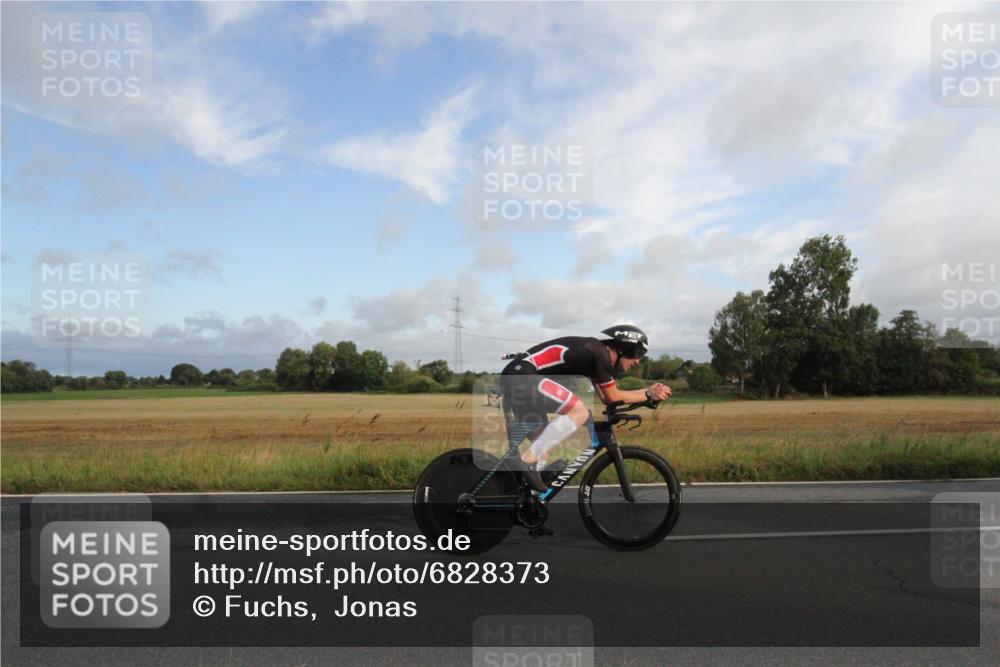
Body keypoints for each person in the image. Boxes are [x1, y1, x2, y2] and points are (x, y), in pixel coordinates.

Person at [499, 324, 671, 491]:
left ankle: (520, 498)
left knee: (544, 444)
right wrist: (648, 393)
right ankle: (526, 461)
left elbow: (607, 398)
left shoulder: (594, 357)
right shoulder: (599, 353)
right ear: (622, 348)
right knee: (578, 411)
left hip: (516, 376)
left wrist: (646, 394)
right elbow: (613, 396)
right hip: (523, 376)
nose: (638, 361)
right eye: (638, 353)